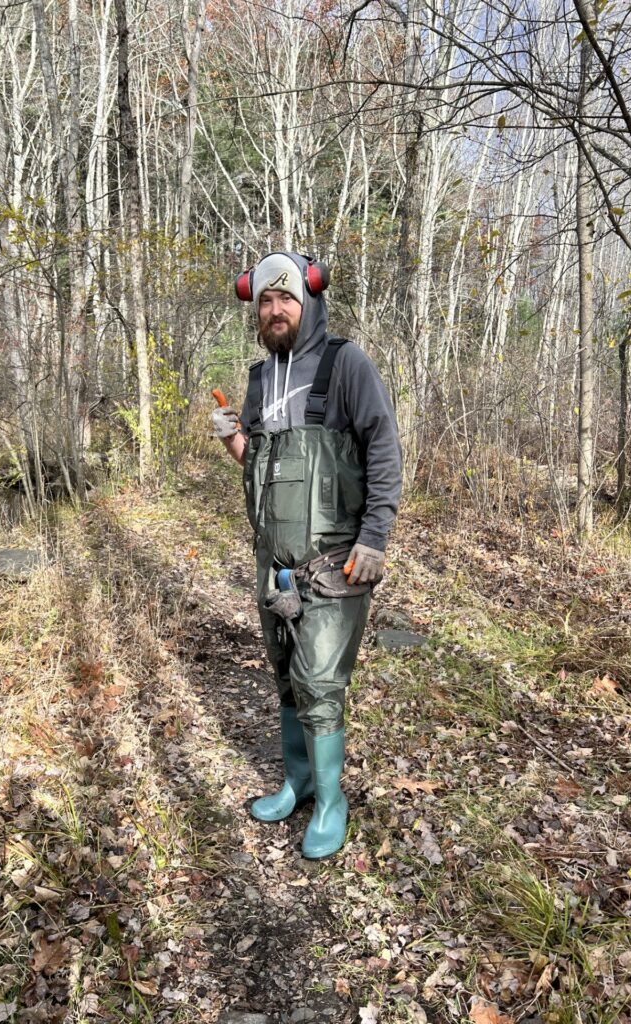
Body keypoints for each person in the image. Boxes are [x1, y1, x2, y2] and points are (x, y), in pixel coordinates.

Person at [211, 251, 402, 859]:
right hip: (276, 565)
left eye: (285, 298)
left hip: (334, 565)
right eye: (265, 300)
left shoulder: (347, 365)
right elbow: (264, 470)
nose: (275, 310)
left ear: (309, 301)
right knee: (288, 681)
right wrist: (233, 439)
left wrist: (375, 536)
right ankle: (295, 783)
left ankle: (331, 799)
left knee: (320, 683)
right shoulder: (258, 378)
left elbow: (384, 450)